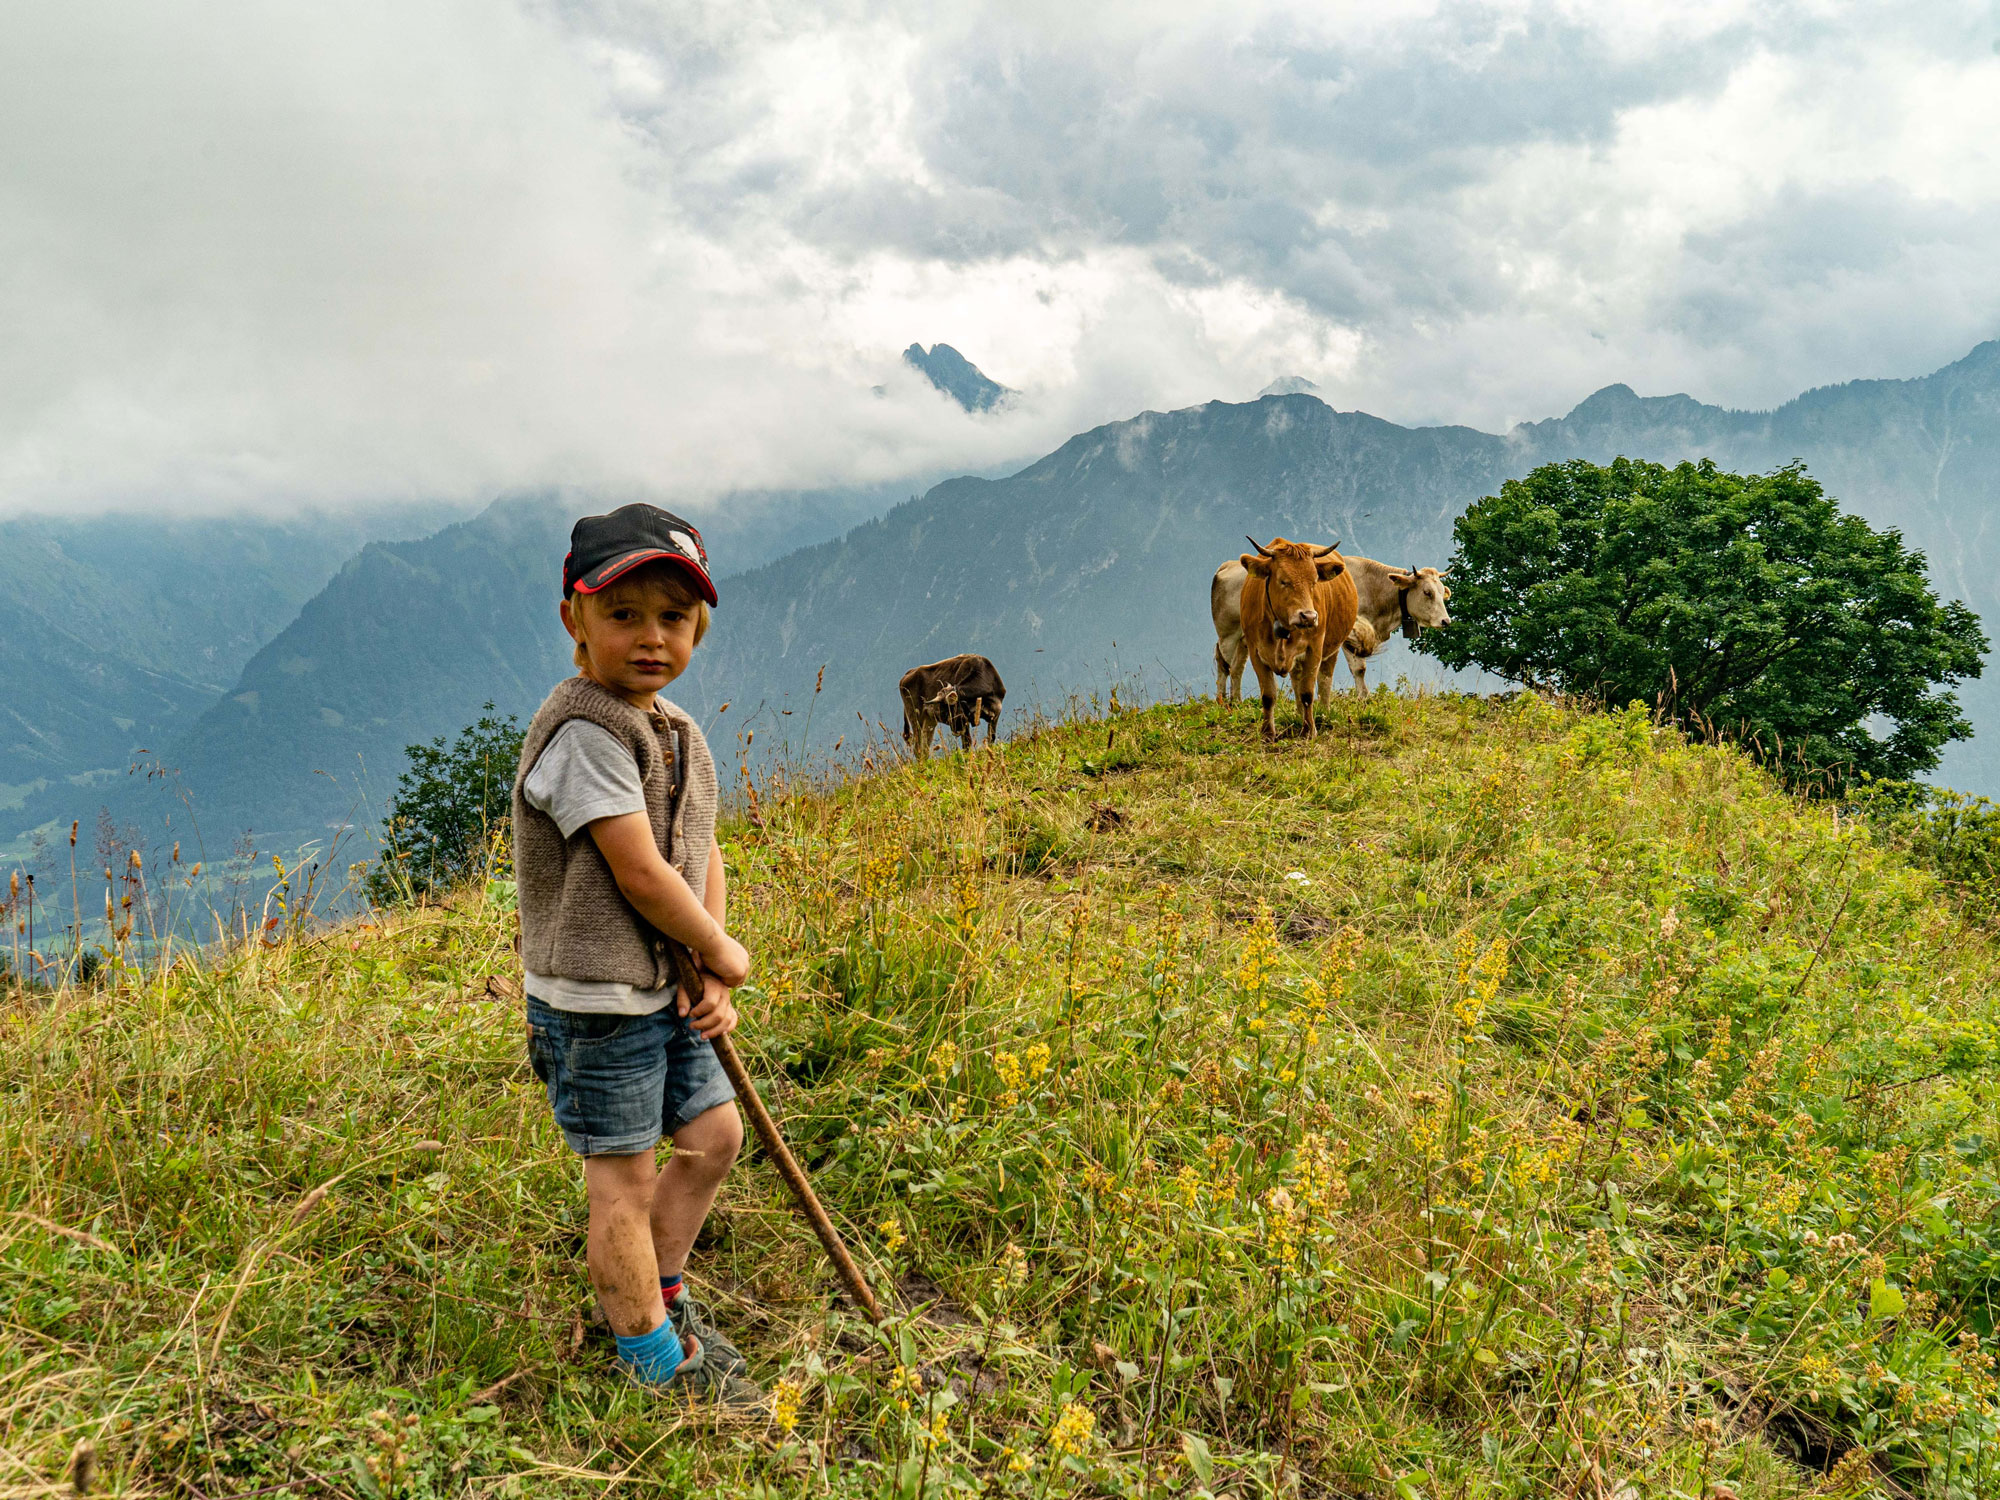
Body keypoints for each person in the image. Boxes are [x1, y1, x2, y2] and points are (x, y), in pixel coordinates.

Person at [511, 503, 757, 1401]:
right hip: (597, 1002)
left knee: (716, 1136)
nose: (651, 638)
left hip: (664, 988)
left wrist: (712, 971)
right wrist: (722, 948)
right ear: (574, 618)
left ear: (698, 627)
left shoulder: (678, 731)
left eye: (673, 618)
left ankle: (658, 1288)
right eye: (623, 616)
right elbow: (643, 875)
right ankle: (650, 1359)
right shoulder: (583, 735)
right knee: (622, 1175)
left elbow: (699, 850)